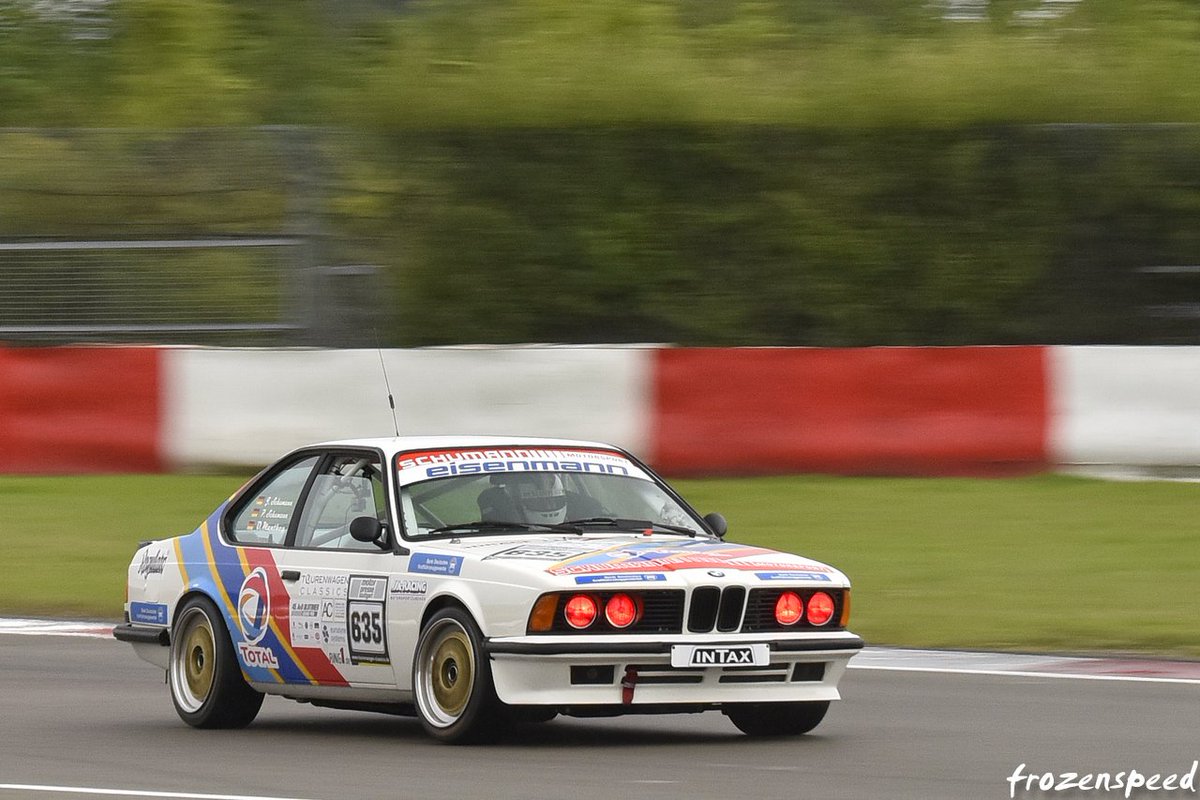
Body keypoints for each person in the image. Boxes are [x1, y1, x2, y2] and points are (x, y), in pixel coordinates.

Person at [478, 473, 601, 525]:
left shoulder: (596, 519)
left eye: (554, 501)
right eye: (539, 502)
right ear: (513, 502)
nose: (548, 506)